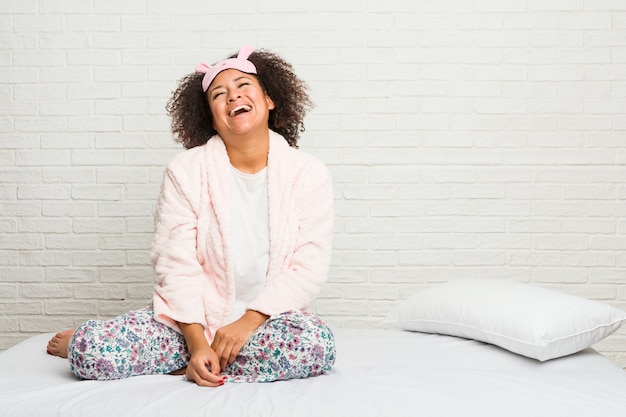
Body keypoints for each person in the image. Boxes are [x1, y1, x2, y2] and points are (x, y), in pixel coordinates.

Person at [46, 46, 336, 387]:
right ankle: (183, 355)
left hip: (265, 325)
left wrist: (248, 321)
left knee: (317, 346)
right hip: (189, 323)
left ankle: (182, 366)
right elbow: (176, 262)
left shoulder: (309, 173)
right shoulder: (186, 171)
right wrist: (197, 342)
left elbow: (309, 267)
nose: (233, 97)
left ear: (269, 100)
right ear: (210, 118)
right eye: (219, 94)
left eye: (243, 86)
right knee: (94, 353)